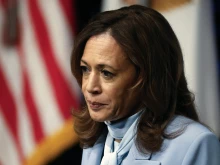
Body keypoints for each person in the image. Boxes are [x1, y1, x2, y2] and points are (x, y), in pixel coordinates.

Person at [71, 5, 220, 165]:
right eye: (85, 69)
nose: (90, 87)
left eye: (107, 73)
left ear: (147, 76)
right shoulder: (95, 140)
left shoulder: (194, 144)